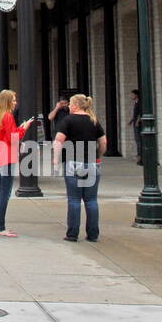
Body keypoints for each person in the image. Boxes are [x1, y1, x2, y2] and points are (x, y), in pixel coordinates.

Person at [54, 94, 107, 242]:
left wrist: (56, 160)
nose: (69, 106)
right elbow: (103, 142)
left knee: (74, 199)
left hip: (73, 162)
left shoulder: (68, 120)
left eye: (70, 104)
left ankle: (72, 234)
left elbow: (59, 140)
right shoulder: (93, 120)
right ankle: (93, 234)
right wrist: (99, 156)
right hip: (91, 162)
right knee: (91, 200)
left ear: (76, 105)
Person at [0, 90, 33, 237]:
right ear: (8, 101)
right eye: (13, 100)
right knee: (5, 194)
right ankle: (1, 227)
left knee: (0, 193)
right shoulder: (8, 116)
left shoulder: (0, 116)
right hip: (7, 158)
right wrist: (24, 128)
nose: (16, 102)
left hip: (0, 157)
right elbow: (14, 138)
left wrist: (18, 128)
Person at [129, 89, 142, 164]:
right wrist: (131, 120)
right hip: (135, 123)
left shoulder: (139, 103)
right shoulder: (136, 102)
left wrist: (137, 121)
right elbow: (135, 114)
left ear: (136, 95)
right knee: (137, 140)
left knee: (138, 140)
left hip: (138, 124)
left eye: (133, 94)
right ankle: (139, 154)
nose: (131, 96)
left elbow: (140, 113)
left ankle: (140, 155)